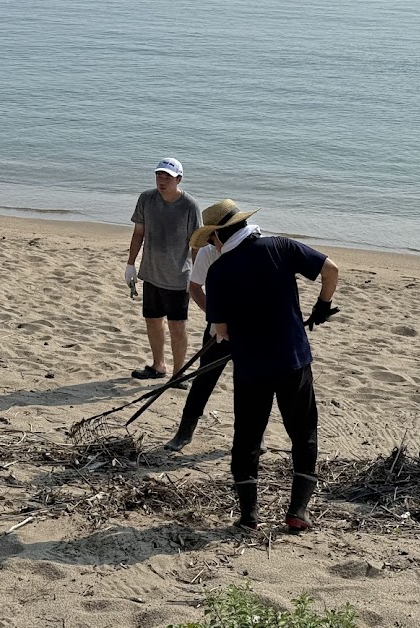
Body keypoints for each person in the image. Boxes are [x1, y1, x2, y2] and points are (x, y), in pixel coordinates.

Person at [203, 201, 339, 532]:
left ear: (220, 235)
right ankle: (297, 512)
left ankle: (249, 516)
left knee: (247, 437)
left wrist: (234, 326)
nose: (211, 246)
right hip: (293, 359)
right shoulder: (280, 245)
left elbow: (220, 331)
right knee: (303, 432)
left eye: (211, 240)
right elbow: (331, 270)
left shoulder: (219, 271)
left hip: (251, 366)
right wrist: (322, 305)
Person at [164, 199, 260, 452]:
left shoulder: (254, 249)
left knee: (251, 384)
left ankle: (253, 437)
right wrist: (214, 315)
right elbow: (194, 287)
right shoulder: (209, 253)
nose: (211, 243)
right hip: (217, 331)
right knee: (204, 379)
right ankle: (184, 432)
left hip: (250, 332)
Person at [125, 158, 201, 381]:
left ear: (179, 179)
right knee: (153, 321)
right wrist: (131, 264)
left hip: (178, 278)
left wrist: (199, 276)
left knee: (177, 327)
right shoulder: (146, 199)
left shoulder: (189, 206)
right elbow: (138, 233)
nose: (162, 181)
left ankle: (178, 374)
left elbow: (196, 244)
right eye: (159, 175)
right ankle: (159, 366)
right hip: (151, 273)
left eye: (168, 177)